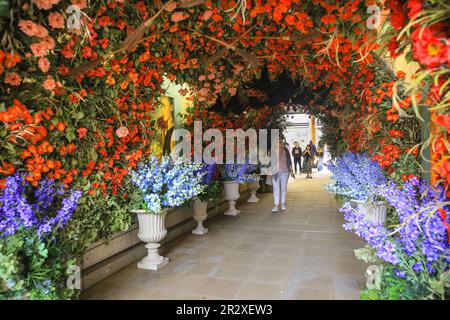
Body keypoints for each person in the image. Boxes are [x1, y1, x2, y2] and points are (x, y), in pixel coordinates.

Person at [270, 137, 294, 213]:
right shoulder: (272, 151)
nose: (280, 143)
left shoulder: (286, 151)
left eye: (281, 142)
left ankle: (283, 204)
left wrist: (292, 170)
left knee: (283, 188)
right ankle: (276, 205)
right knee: (276, 189)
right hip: (275, 172)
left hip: (285, 172)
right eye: (278, 142)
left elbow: (289, 161)